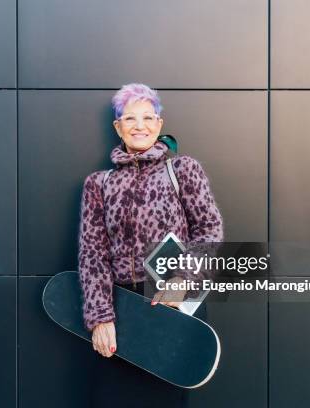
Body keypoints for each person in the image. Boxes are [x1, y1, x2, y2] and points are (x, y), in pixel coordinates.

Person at [77, 83, 224, 406]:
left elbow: (209, 229)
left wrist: (182, 283)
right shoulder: (99, 184)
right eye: (130, 119)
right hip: (122, 311)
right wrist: (101, 317)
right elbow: (93, 254)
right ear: (118, 127)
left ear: (159, 124)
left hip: (171, 306)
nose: (139, 126)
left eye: (147, 117)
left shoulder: (183, 170)